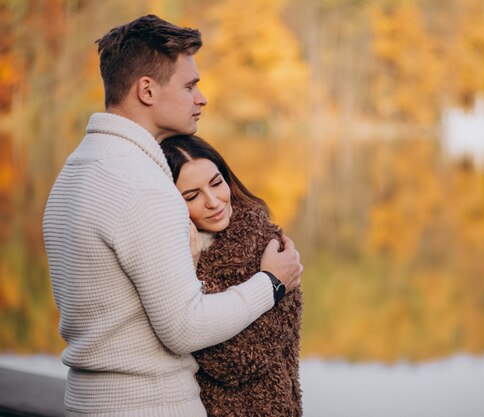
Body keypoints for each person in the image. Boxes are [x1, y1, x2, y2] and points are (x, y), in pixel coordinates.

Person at [42, 14, 302, 417]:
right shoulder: (143, 185)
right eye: (190, 85)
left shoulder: (74, 172)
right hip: (149, 405)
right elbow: (185, 327)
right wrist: (271, 283)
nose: (202, 98)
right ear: (147, 90)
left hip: (86, 404)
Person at [161, 135, 303, 416]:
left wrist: (191, 274)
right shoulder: (169, 253)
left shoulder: (261, 243)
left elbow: (235, 362)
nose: (213, 202)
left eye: (216, 183)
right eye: (192, 196)